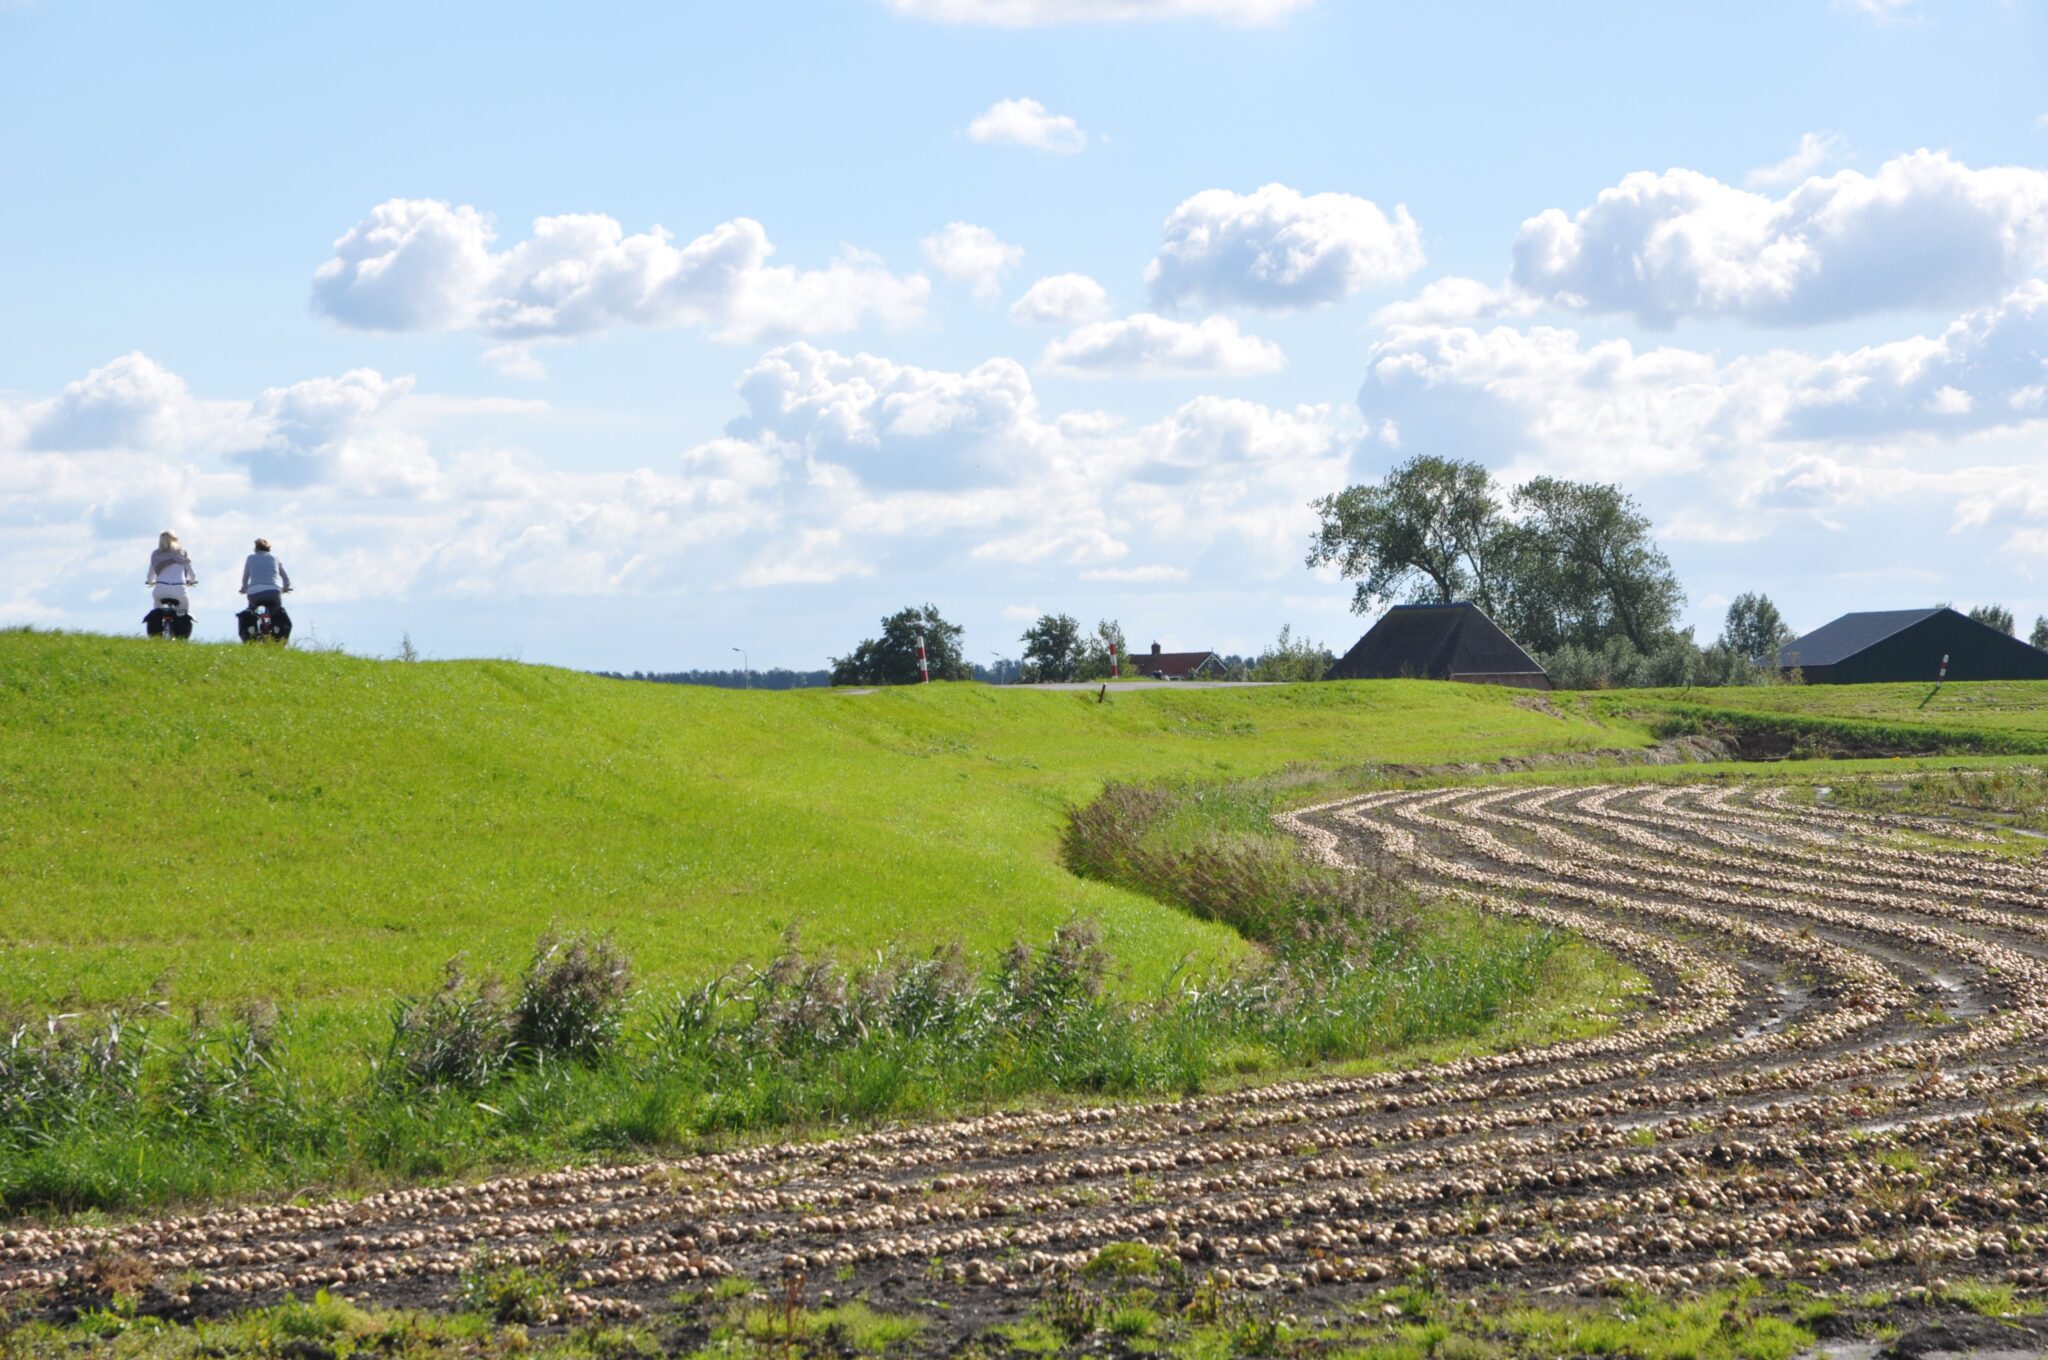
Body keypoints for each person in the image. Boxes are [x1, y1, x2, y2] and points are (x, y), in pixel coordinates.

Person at [238, 537, 293, 642]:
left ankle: (252, 630)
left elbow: (245, 577)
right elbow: (285, 578)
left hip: (254, 594)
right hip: (274, 593)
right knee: (277, 614)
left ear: (256, 548)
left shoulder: (250, 558)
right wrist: (285, 588)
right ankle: (276, 633)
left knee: (251, 611)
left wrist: (244, 588)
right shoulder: (275, 558)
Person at [145, 531, 196, 612]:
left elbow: (150, 575)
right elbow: (192, 573)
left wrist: (150, 582)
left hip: (161, 589)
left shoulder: (156, 554)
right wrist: (191, 581)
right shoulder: (182, 553)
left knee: (156, 610)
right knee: (183, 613)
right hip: (179, 589)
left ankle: (157, 621)